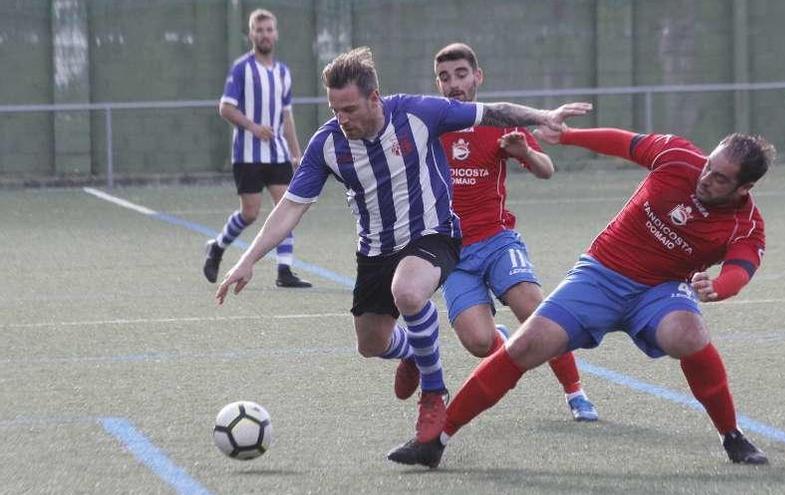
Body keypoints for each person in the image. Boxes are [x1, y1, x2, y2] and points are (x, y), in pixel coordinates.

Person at [214, 47, 591, 444]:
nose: (342, 119)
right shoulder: (327, 144)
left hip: (435, 234)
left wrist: (543, 118)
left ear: (374, 98)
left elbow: (493, 111)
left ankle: (434, 394)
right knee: (371, 344)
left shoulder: (418, 113)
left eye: (350, 109)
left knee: (409, 292)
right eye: (335, 109)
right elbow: (291, 207)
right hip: (376, 249)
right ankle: (413, 349)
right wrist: (249, 259)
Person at [388, 126, 775, 468]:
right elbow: (623, 143)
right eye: (709, 165)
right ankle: (435, 442)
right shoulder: (676, 156)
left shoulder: (747, 226)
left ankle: (732, 436)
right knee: (526, 345)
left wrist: (718, 287)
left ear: (744, 188)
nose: (705, 178)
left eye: (720, 178)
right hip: (600, 274)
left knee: (689, 335)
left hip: (659, 290)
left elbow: (740, 270)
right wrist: (568, 136)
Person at [425, 42, 597, 421]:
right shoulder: (431, 127)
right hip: (452, 253)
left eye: (461, 74)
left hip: (498, 241)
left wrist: (524, 151)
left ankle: (576, 393)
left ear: (478, 77)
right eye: (444, 77)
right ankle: (502, 340)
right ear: (437, 84)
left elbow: (546, 169)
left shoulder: (501, 121)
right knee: (479, 342)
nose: (453, 84)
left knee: (537, 313)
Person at [203, 8, 311, 289]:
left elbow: (287, 116)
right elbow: (225, 108)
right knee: (250, 213)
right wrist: (253, 127)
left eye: (269, 30)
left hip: (276, 153)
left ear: (276, 34)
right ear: (251, 34)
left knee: (287, 207)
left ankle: (284, 270)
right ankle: (217, 246)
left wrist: (296, 152)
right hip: (247, 154)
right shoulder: (242, 69)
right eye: (259, 30)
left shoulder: (284, 73)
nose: (264, 35)